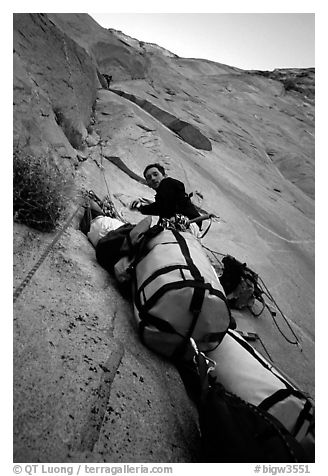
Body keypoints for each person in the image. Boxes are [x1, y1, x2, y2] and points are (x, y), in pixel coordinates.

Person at [130, 163, 201, 224]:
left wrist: (141, 208)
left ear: (164, 176)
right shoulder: (164, 196)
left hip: (186, 222)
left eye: (155, 174)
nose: (153, 178)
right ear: (148, 184)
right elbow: (160, 207)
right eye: (149, 178)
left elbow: (160, 207)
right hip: (191, 224)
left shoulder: (167, 183)